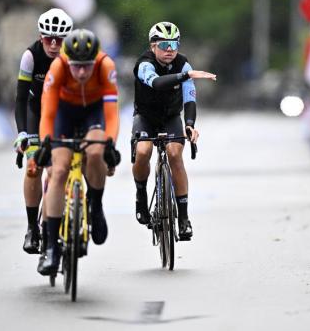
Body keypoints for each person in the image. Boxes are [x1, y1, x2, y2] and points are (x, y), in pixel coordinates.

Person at [37, 29, 120, 275]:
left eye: (86, 66)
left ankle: (95, 205)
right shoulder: (58, 67)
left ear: (94, 60)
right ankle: (51, 247)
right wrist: (45, 144)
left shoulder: (106, 66)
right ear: (68, 61)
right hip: (64, 112)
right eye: (76, 67)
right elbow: (48, 114)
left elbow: (112, 114)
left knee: (95, 153)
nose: (82, 72)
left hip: (93, 112)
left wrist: (110, 145)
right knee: (59, 170)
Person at [132, 22, 216, 241]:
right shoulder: (144, 64)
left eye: (174, 44)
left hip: (170, 117)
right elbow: (158, 83)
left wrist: (189, 124)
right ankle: (141, 197)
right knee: (142, 152)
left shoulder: (183, 64)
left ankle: (184, 219)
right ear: (153, 47)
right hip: (146, 117)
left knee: (175, 154)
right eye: (164, 44)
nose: (170, 49)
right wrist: (185, 76)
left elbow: (189, 98)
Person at [13, 8, 72, 255]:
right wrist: (22, 133)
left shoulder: (73, 57)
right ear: (41, 36)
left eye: (59, 39)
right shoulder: (31, 56)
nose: (54, 44)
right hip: (36, 113)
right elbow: (19, 99)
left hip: (63, 113)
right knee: (34, 167)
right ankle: (31, 228)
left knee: (58, 168)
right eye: (49, 38)